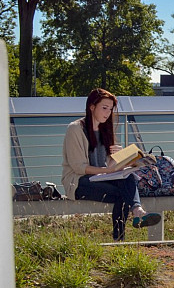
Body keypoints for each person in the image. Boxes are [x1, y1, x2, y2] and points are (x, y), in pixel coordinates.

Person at [62, 88, 162, 241]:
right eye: (104, 108)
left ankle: (138, 211)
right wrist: (109, 170)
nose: (108, 113)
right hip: (78, 181)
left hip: (101, 177)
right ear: (92, 107)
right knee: (121, 193)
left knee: (129, 177)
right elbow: (78, 167)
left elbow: (109, 164)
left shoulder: (105, 129)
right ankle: (120, 239)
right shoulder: (75, 129)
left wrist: (121, 157)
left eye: (110, 109)